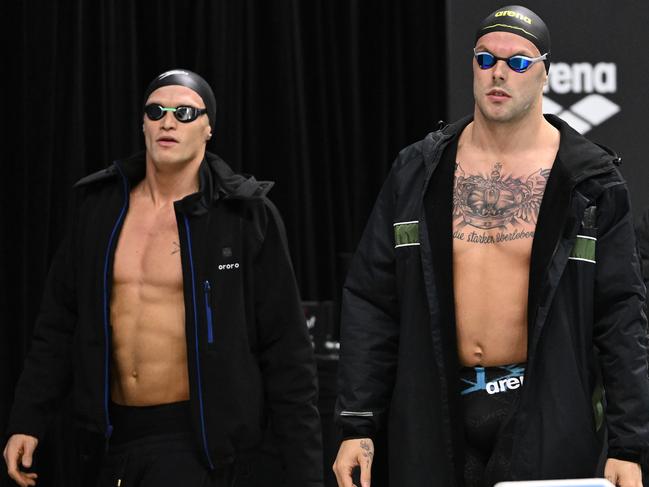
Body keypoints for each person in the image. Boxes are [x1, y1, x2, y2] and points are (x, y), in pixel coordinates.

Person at [333, 5, 649, 487]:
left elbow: (621, 315)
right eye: (485, 59)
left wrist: (630, 445)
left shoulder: (591, 180)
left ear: (545, 73)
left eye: (518, 62)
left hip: (544, 411)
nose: (499, 73)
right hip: (434, 410)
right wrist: (357, 423)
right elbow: (373, 301)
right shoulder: (419, 171)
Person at [3, 69, 323, 487]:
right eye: (156, 111)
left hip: (195, 442)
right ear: (143, 123)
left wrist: (306, 474)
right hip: (109, 438)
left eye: (185, 113)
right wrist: (28, 418)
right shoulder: (99, 210)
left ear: (209, 128)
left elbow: (287, 353)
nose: (168, 121)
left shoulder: (244, 217)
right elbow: (58, 326)